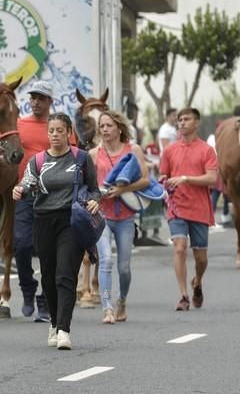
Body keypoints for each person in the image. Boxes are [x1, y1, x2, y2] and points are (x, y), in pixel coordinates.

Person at [12, 113, 101, 350]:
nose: (55, 135)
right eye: (51, 131)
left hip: (71, 221)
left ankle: (64, 330)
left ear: (69, 132)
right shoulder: (38, 160)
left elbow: (94, 189)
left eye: (60, 130)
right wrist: (19, 190)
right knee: (49, 277)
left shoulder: (81, 158)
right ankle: (53, 321)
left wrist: (94, 201)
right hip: (43, 222)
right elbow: (27, 182)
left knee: (65, 275)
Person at [91, 111, 149, 324]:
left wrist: (123, 189)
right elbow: (87, 185)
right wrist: (97, 193)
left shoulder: (133, 150)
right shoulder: (94, 154)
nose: (105, 129)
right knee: (105, 260)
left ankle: (121, 301)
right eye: (102, 126)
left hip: (125, 216)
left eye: (109, 125)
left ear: (119, 128)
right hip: (102, 215)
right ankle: (107, 308)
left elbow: (145, 180)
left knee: (123, 267)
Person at [159, 107, 217, 311]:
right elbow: (163, 176)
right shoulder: (169, 150)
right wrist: (164, 183)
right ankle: (183, 295)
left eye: (187, 119)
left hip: (199, 208)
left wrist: (185, 178)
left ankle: (197, 282)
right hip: (177, 207)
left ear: (197, 123)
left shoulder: (206, 150)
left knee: (201, 258)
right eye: (180, 119)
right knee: (180, 247)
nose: (182, 122)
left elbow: (212, 178)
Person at [13, 80, 56, 322]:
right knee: (22, 245)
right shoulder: (19, 125)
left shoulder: (59, 126)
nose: (36, 102)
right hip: (26, 193)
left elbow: (73, 159)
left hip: (53, 197)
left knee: (49, 250)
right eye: (33, 98)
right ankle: (28, 289)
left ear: (50, 101)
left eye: (41, 98)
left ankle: (45, 298)